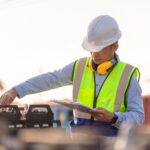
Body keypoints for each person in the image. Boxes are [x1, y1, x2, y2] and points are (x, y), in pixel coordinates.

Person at [0, 15, 144, 136]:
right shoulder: (79, 67)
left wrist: (113, 117)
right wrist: (17, 90)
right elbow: (50, 79)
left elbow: (138, 118)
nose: (95, 53)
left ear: (115, 46)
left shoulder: (128, 75)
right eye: (92, 48)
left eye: (100, 48)